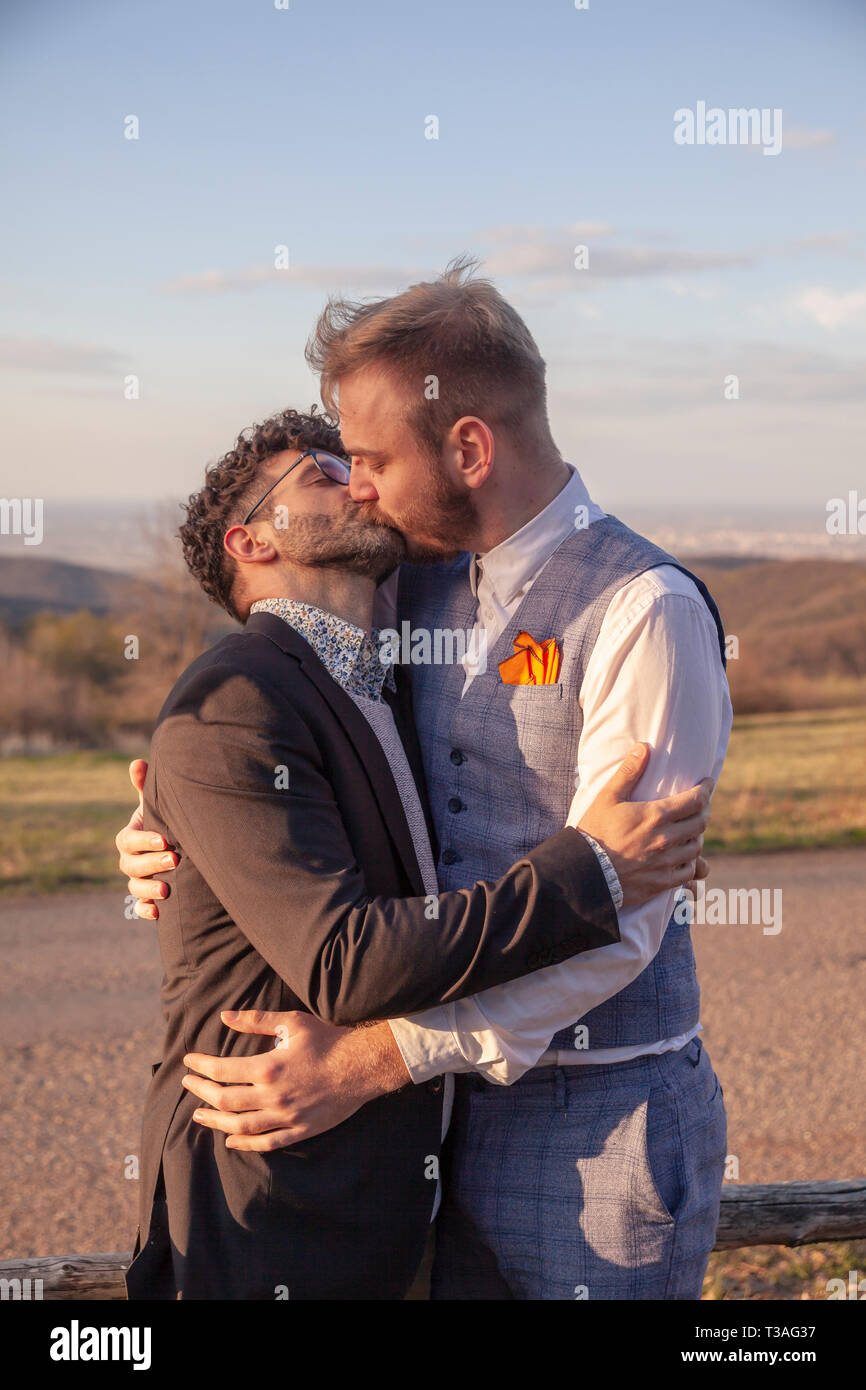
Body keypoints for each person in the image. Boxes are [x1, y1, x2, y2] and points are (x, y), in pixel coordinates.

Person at [120, 405, 710, 1301]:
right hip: (269, 1191)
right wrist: (589, 869)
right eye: (319, 472)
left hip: (395, 1190)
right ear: (251, 542)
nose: (354, 477)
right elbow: (345, 960)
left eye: (352, 459)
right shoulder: (237, 697)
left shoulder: (385, 669)